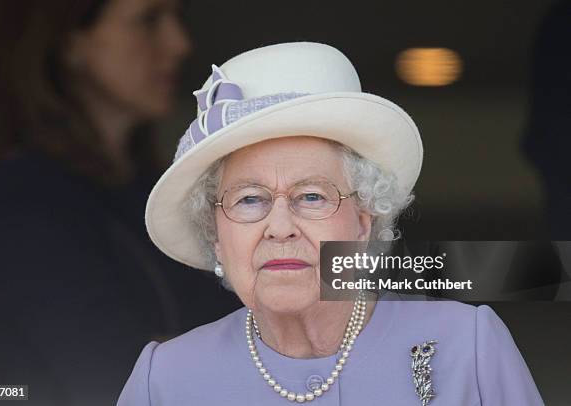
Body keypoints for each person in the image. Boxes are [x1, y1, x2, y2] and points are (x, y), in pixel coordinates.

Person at [116, 42, 544, 405]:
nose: (279, 227)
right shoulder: (165, 381)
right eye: (249, 200)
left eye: (311, 197)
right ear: (216, 236)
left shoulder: (468, 346)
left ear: (362, 222)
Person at [0, 1, 240, 404]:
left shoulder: (161, 188)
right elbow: (117, 375)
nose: (180, 43)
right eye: (148, 20)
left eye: (177, 18)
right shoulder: (19, 200)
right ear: (70, 42)